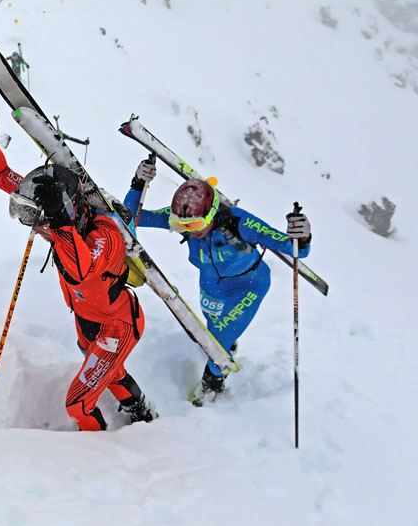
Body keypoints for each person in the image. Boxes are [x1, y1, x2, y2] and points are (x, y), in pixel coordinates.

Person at [0, 102, 155, 431]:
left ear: (66, 211)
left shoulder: (106, 236)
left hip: (116, 327)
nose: (38, 230)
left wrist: (60, 222)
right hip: (88, 323)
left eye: (39, 222)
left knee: (78, 404)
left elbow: (82, 269)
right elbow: (0, 176)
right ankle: (141, 411)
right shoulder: (56, 221)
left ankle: (99, 454)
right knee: (113, 373)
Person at [125, 156, 312, 404]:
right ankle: (227, 345)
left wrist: (303, 236)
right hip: (212, 284)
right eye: (182, 226)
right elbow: (129, 217)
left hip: (249, 285)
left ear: (212, 214)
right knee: (213, 328)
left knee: (217, 343)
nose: (189, 230)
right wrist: (138, 184)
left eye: (195, 224)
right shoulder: (182, 218)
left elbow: (295, 248)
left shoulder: (240, 222)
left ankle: (212, 384)